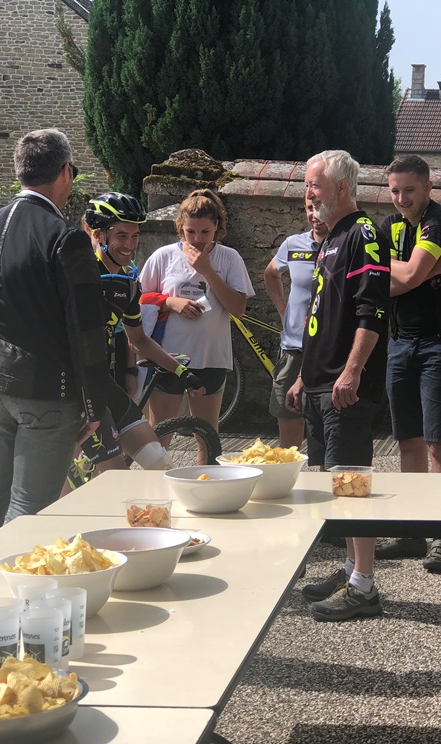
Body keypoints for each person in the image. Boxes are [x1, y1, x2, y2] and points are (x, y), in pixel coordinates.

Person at [0, 128, 112, 550]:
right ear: (65, 173)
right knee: (30, 509)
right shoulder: (66, 237)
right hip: (48, 392)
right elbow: (88, 329)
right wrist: (94, 404)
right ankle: (16, 590)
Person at [285, 150, 391, 622]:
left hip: (345, 387)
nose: (308, 194)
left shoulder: (363, 233)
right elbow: (322, 315)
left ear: (342, 188)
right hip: (319, 383)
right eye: (308, 185)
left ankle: (364, 586)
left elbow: (373, 312)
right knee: (334, 484)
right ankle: (351, 570)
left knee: (351, 483)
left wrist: (352, 372)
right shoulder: (331, 238)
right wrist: (304, 375)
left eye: (315, 185)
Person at [377, 155, 441, 571]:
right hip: (400, 343)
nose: (401, 199)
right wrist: (425, 270)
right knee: (408, 441)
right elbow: (378, 281)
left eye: (409, 190)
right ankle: (413, 530)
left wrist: (410, 272)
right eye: (395, 191)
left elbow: (408, 276)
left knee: (439, 443)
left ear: (428, 187)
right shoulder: (388, 225)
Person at [68, 192, 203, 479]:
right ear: (97, 234)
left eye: (135, 236)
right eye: (121, 236)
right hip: (74, 390)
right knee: (114, 479)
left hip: (103, 385)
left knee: (159, 463)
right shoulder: (77, 274)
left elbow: (138, 340)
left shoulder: (128, 280)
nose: (129, 245)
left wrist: (181, 371)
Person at [139, 189, 254, 462]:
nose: (198, 239)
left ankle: (206, 486)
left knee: (207, 436)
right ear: (181, 227)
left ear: (217, 227)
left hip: (210, 357)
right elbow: (140, 300)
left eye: (205, 232)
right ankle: (157, 488)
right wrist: (170, 303)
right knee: (160, 436)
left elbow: (238, 309)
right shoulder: (163, 256)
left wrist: (207, 270)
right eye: (190, 232)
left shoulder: (229, 258)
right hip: (167, 358)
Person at [262, 196, 324, 448]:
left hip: (327, 352)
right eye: (310, 208)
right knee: (289, 441)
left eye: (320, 208)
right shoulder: (293, 244)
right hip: (293, 349)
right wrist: (283, 309)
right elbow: (271, 273)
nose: (315, 214)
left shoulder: (344, 243)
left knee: (325, 437)